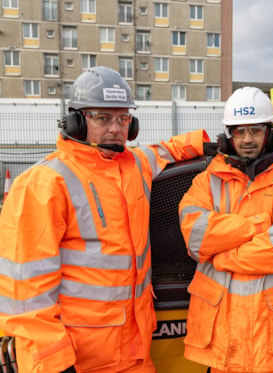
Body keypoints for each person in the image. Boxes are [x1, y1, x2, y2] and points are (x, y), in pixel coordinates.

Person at [0, 66, 216, 373]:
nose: (116, 128)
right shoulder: (44, 184)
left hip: (135, 354)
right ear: (76, 121)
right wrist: (53, 363)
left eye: (123, 118)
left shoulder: (135, 165)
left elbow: (167, 150)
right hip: (80, 360)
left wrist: (213, 142)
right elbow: (25, 293)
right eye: (103, 118)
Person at [179, 86, 273, 373]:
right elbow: (196, 236)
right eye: (238, 132)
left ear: (270, 133)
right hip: (224, 342)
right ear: (228, 135)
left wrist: (222, 257)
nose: (246, 140)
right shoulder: (206, 182)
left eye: (254, 130)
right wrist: (257, 225)